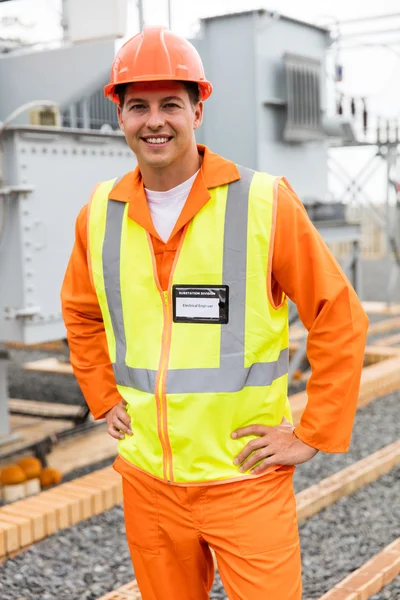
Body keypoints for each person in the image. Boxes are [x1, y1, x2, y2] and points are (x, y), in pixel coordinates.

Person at [61, 26, 369, 600]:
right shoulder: (99, 213)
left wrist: (312, 433)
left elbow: (338, 313)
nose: (155, 121)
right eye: (139, 107)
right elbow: (81, 314)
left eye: (171, 105)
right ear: (120, 116)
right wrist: (103, 395)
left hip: (244, 480)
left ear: (198, 110)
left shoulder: (263, 201)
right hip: (149, 483)